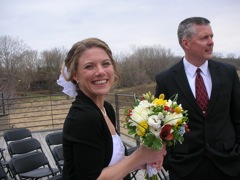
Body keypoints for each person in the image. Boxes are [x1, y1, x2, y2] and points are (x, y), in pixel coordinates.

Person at [57, 37, 166, 180]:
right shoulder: (83, 117)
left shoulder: (106, 109)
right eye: (90, 66)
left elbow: (106, 162)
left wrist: (140, 162)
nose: (100, 71)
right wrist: (140, 155)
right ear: (75, 75)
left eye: (106, 64)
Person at [155, 17, 240, 180]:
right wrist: (170, 160)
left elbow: (238, 116)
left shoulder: (228, 73)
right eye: (204, 38)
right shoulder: (166, 79)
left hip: (229, 163)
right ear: (186, 43)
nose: (211, 42)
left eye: (212, 36)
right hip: (185, 167)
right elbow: (162, 125)